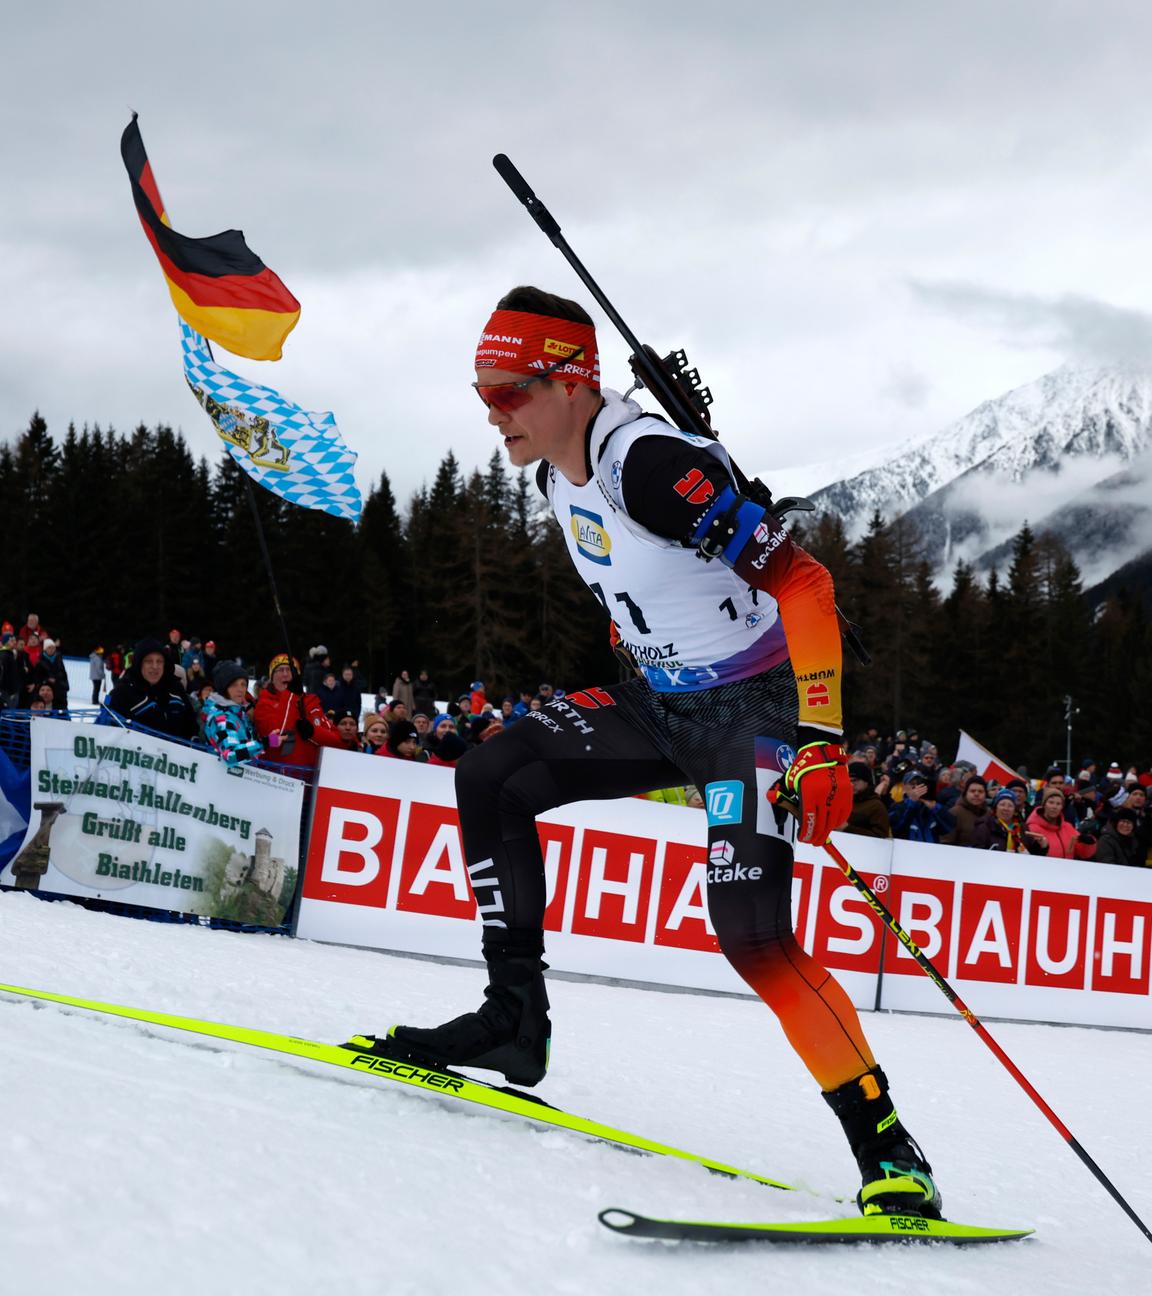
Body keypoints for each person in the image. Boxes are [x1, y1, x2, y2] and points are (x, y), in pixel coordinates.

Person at [343, 285, 941, 1221]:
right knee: (491, 773)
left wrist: (822, 741)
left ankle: (889, 1150)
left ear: (573, 383)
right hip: (665, 704)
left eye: (509, 393)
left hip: (759, 713)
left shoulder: (651, 465)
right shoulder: (551, 472)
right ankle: (513, 1023)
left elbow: (807, 583)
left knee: (752, 934)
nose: (492, 413)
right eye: (481, 393)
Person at [253, 653, 344, 769]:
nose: (285, 674)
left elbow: (336, 742)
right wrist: (290, 697)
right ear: (272, 678)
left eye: (290, 670)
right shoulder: (264, 704)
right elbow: (275, 740)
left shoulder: (311, 702)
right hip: (277, 779)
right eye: (280, 670)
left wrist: (313, 732)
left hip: (310, 778)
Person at [100, 637, 198, 739]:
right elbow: (104, 734)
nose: (155, 666)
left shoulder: (176, 689)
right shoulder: (121, 693)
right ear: (139, 663)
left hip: (179, 753)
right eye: (148, 661)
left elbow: (191, 725)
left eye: (159, 661)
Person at [201, 661, 263, 767]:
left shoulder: (238, 712)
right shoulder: (221, 718)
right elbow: (230, 755)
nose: (240, 689)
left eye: (243, 684)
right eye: (234, 685)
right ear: (224, 688)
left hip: (243, 778)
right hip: (224, 780)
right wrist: (265, 743)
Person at [888, 771, 953, 844]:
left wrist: (935, 807)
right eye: (912, 784)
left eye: (919, 784)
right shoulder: (897, 806)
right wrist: (912, 802)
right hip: (907, 852)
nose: (916, 787)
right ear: (904, 787)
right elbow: (897, 829)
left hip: (932, 852)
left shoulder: (930, 807)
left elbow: (950, 827)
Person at [1024, 787, 1080, 859]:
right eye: (1051, 802)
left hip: (1067, 869)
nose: (1054, 807)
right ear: (1044, 804)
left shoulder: (1068, 827)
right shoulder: (1032, 828)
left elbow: (1083, 853)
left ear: (1062, 807)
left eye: (1058, 804)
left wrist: (1088, 844)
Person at [941, 776, 993, 849]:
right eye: (972, 791)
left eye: (980, 791)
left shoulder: (989, 814)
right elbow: (945, 843)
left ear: (985, 794)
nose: (976, 794)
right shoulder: (954, 812)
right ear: (965, 793)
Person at [842, 761, 891, 838]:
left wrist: (848, 828)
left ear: (866, 781)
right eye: (849, 780)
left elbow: (881, 838)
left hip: (863, 849)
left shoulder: (876, 806)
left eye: (855, 780)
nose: (851, 784)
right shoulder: (841, 801)